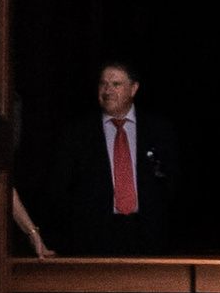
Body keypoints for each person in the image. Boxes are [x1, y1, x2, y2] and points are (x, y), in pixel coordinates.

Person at [48, 58, 181, 250]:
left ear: (133, 89)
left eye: (116, 84)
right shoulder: (77, 133)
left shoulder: (159, 131)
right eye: (103, 84)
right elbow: (60, 188)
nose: (107, 91)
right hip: (93, 239)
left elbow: (172, 182)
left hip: (149, 236)